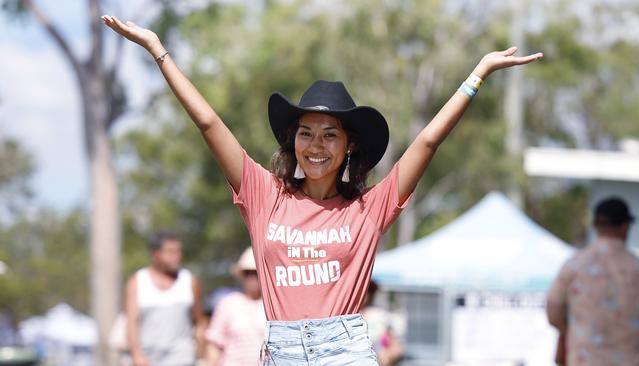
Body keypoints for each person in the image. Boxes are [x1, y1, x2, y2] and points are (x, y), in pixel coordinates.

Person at [101, 14, 542, 365]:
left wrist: (478, 74)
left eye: (330, 134)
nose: (316, 146)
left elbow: (427, 141)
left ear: (349, 145)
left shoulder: (369, 207)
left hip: (345, 351)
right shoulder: (264, 195)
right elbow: (209, 123)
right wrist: (159, 51)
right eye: (306, 133)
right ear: (292, 140)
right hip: (282, 349)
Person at [547, 197, 639, 366]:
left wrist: (576, 331)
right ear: (625, 226)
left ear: (594, 226)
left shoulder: (574, 266)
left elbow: (553, 314)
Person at [124, 231, 207, 366]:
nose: (177, 257)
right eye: (171, 252)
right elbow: (131, 322)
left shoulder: (189, 281)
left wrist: (201, 356)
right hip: (148, 359)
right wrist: (137, 355)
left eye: (178, 252)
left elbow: (200, 322)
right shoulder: (138, 281)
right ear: (156, 254)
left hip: (182, 358)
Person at [205, 247, 266, 366]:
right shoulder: (228, 303)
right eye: (248, 273)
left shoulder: (272, 306)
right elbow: (214, 342)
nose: (252, 278)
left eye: (255, 272)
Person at [360, 280, 404, 366]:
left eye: (367, 290)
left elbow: (396, 348)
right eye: (361, 289)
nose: (364, 293)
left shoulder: (380, 315)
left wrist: (388, 356)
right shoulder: (344, 315)